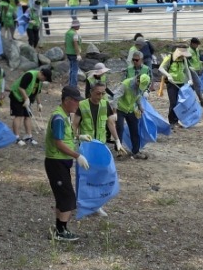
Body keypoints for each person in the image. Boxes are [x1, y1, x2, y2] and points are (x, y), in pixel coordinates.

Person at [45, 85, 89, 242]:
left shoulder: (64, 115)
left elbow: (66, 138)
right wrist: (77, 156)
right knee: (68, 198)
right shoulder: (58, 118)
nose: (78, 105)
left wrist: (79, 138)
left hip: (61, 163)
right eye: (76, 101)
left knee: (63, 196)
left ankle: (59, 228)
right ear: (67, 100)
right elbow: (58, 143)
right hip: (56, 162)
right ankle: (60, 231)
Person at [73, 81, 125, 157]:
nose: (100, 96)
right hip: (86, 144)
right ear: (91, 92)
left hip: (101, 143)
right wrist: (75, 138)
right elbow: (75, 125)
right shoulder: (82, 105)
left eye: (103, 93)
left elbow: (111, 124)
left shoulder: (105, 104)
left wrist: (117, 141)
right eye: (98, 93)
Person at [111, 73, 150, 159]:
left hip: (130, 110)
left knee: (135, 130)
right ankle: (119, 151)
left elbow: (138, 97)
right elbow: (116, 97)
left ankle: (136, 151)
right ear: (137, 80)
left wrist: (140, 107)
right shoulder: (126, 84)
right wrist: (114, 112)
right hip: (120, 109)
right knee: (120, 129)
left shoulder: (140, 88)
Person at [10, 66, 52, 146]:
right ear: (42, 74)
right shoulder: (29, 75)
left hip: (26, 99)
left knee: (28, 116)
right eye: (45, 78)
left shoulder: (39, 81)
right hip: (17, 96)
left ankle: (28, 136)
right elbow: (21, 88)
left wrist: (39, 103)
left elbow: (37, 93)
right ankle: (16, 137)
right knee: (19, 116)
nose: (44, 80)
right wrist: (26, 98)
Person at [159, 45, 193, 128]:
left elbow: (187, 70)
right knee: (173, 102)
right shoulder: (169, 58)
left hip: (181, 83)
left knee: (179, 103)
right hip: (172, 84)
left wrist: (190, 79)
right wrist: (168, 75)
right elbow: (161, 68)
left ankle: (176, 121)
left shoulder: (184, 59)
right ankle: (171, 122)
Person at [188, 37, 203, 107]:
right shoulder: (189, 51)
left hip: (197, 69)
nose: (197, 46)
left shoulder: (196, 50)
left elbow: (200, 57)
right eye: (196, 44)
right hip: (192, 70)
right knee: (197, 84)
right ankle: (202, 100)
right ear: (192, 43)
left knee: (193, 86)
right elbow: (187, 61)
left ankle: (190, 100)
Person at [65, 17, 82, 88]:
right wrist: (78, 54)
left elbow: (65, 43)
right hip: (74, 54)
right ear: (75, 26)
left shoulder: (68, 33)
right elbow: (75, 44)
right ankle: (73, 85)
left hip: (68, 53)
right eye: (78, 25)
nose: (79, 26)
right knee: (75, 70)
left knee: (71, 69)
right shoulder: (74, 34)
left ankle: (70, 83)